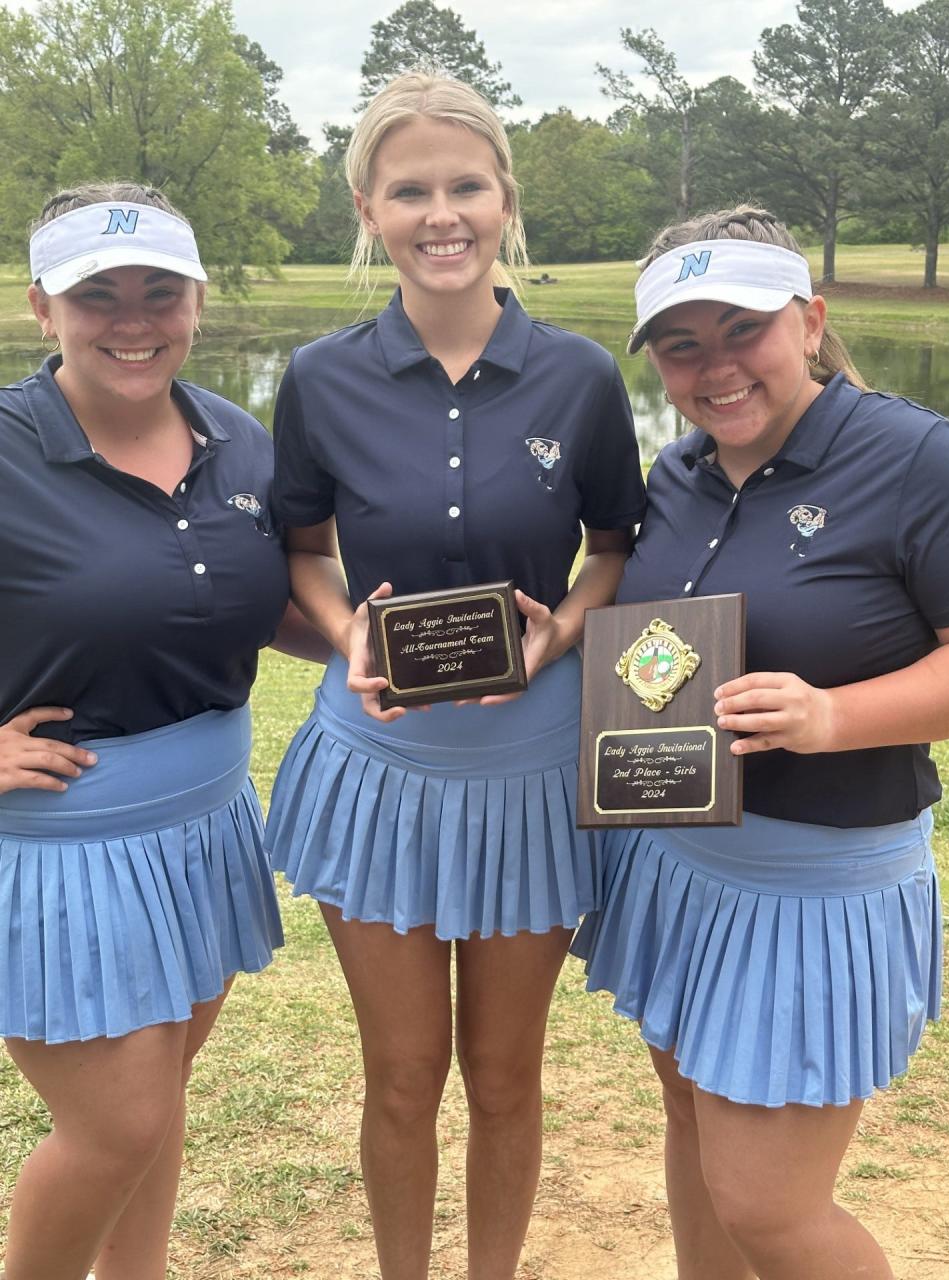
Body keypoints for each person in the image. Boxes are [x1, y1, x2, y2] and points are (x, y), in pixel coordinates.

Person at [265, 71, 645, 1280]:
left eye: (465, 185)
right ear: (370, 211)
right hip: (379, 766)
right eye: (411, 189)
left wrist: (559, 635)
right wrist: (344, 635)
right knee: (399, 1073)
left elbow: (617, 549)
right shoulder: (320, 376)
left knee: (505, 1073)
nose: (443, 213)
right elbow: (303, 549)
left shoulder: (579, 376)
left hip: (530, 769)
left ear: (504, 200)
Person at [572, 205, 949, 1279]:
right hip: (680, 865)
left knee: (770, 1204)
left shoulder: (917, 457)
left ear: (810, 318)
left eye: (741, 329)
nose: (714, 366)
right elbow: (655, 648)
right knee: (694, 1133)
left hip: (816, 886)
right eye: (682, 344)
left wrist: (832, 715)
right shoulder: (681, 473)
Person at [0, 182, 326, 1280]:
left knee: (159, 1103)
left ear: (195, 299)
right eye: (99, 292)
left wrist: (395, 644)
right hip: (57, 846)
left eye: (158, 291)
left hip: (202, 827)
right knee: (117, 1127)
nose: (132, 319)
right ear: (46, 305)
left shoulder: (236, 435)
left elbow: (268, 607)